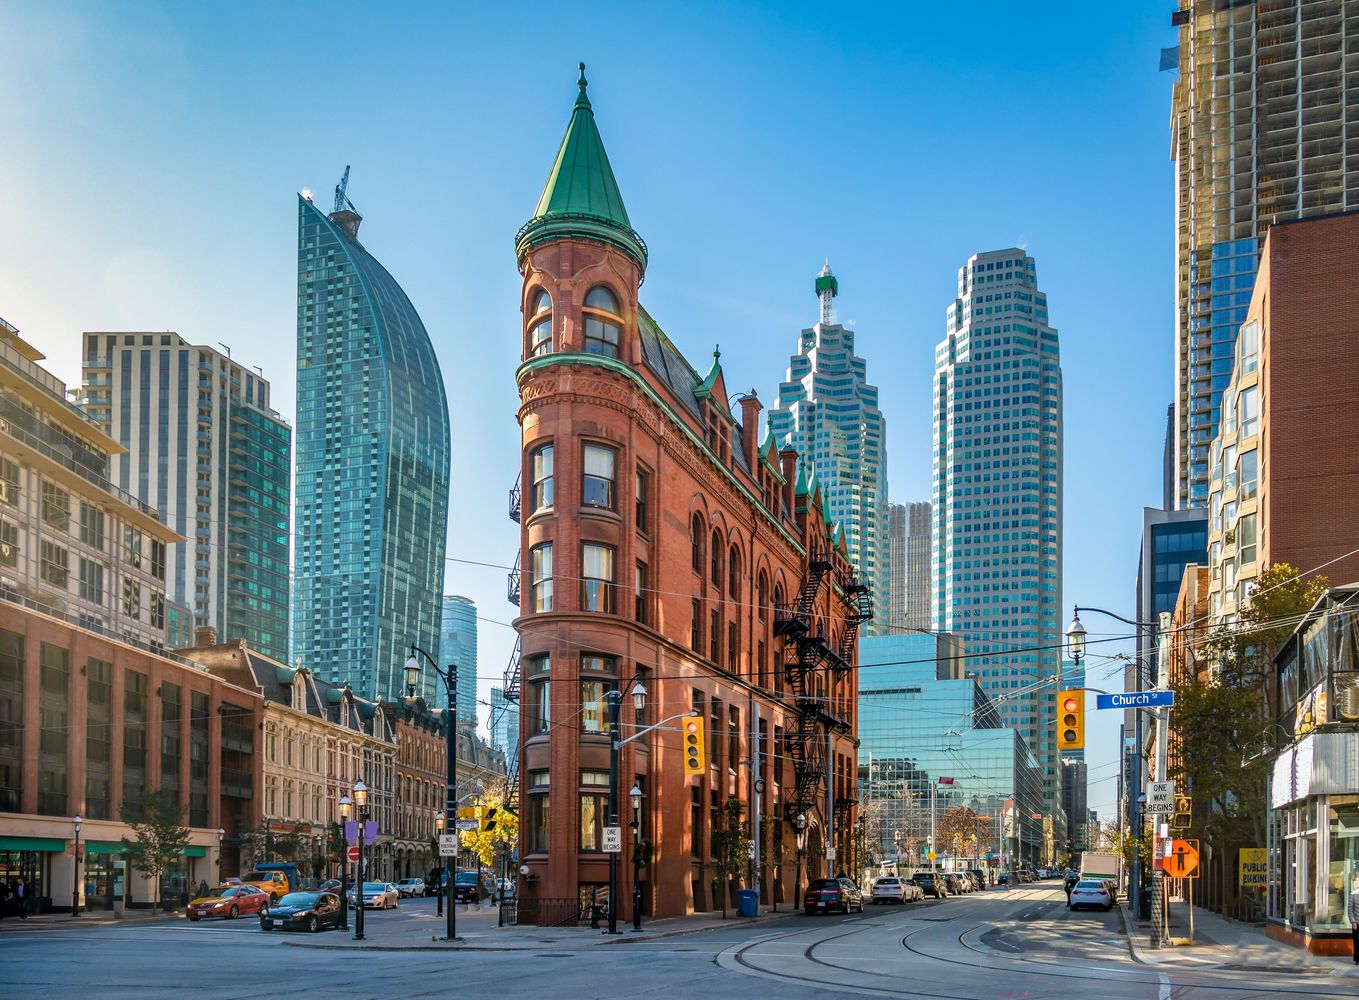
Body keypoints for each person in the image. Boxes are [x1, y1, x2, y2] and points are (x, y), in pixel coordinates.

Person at [1348, 876, 1359, 965]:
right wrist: (1353, 922)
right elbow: (1350, 909)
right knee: (1357, 941)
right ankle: (1357, 959)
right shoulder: (1353, 894)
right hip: (1357, 923)